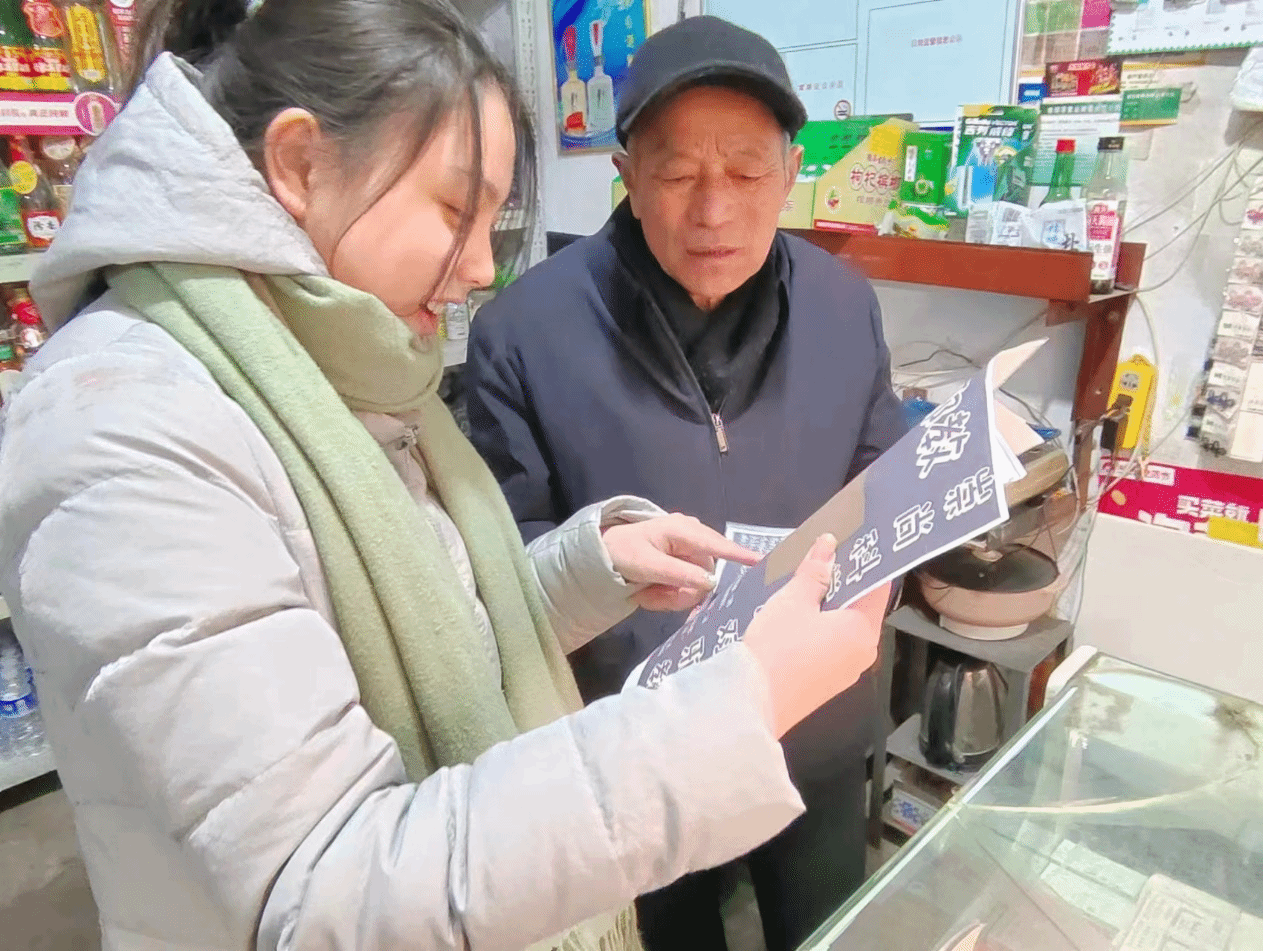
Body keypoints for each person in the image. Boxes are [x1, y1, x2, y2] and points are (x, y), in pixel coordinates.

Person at [0, 2, 892, 950]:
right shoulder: (126, 422)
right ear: (300, 163)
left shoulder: (357, 361)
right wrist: (736, 709)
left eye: (492, 219)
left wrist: (589, 568)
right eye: (456, 208)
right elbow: (322, 893)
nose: (477, 267)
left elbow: (449, 619)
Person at [465, 15, 908, 951]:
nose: (714, 211)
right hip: (638, 751)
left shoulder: (843, 304)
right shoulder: (524, 332)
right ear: (625, 175)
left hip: (814, 724)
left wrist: (871, 589)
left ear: (791, 172)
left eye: (746, 174)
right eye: (676, 175)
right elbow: (512, 562)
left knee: (826, 928)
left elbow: (883, 483)